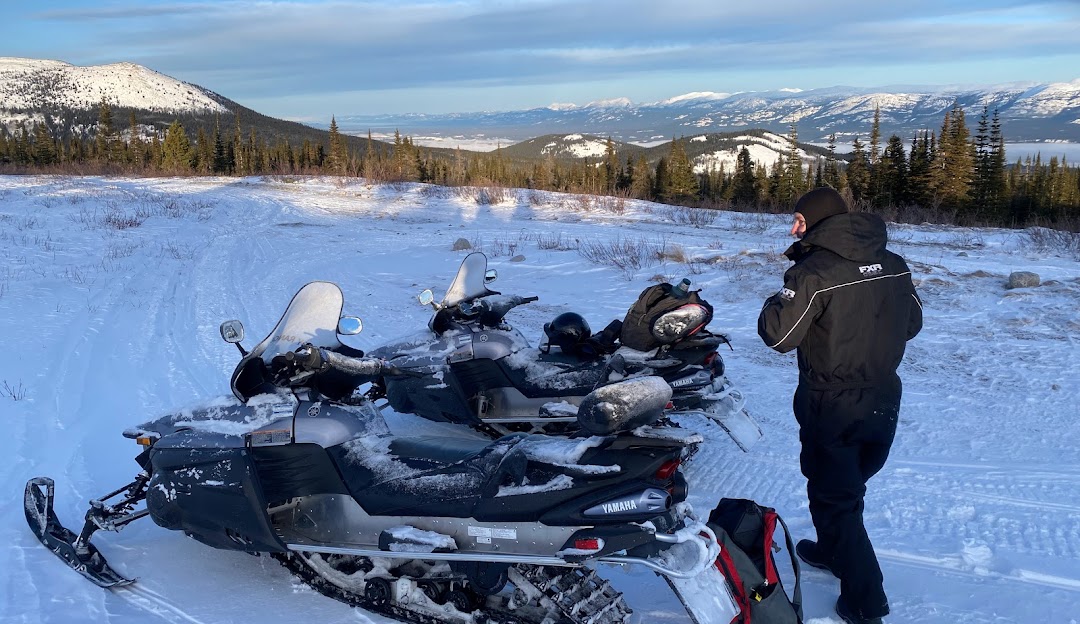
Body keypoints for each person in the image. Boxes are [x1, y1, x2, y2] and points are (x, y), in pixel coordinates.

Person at [757, 187, 922, 624]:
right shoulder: (894, 264)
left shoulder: (815, 271)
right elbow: (913, 323)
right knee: (845, 487)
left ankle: (866, 600)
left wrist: (777, 299)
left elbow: (778, 336)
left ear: (819, 221)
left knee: (836, 497)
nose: (793, 228)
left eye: (798, 220)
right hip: (884, 397)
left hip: (832, 401)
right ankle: (833, 550)